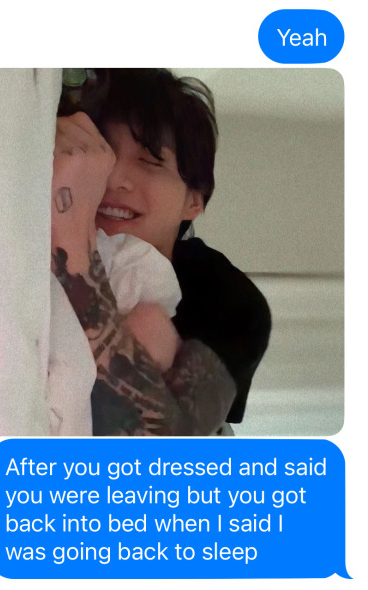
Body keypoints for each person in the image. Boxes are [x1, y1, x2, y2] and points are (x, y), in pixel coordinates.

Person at [51, 69, 271, 436]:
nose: (112, 178)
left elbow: (169, 443)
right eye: (103, 150)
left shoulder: (228, 302)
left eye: (150, 161)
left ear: (193, 201)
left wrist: (71, 237)